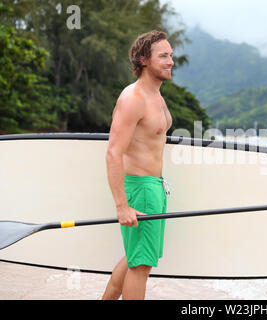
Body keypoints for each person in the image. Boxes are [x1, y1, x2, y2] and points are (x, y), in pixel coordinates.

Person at [102, 30, 173, 300]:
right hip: (140, 190)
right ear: (144, 59)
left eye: (171, 56)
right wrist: (122, 205)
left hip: (154, 187)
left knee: (138, 257)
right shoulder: (133, 98)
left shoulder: (156, 96)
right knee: (141, 265)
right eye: (163, 56)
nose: (170, 62)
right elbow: (113, 153)